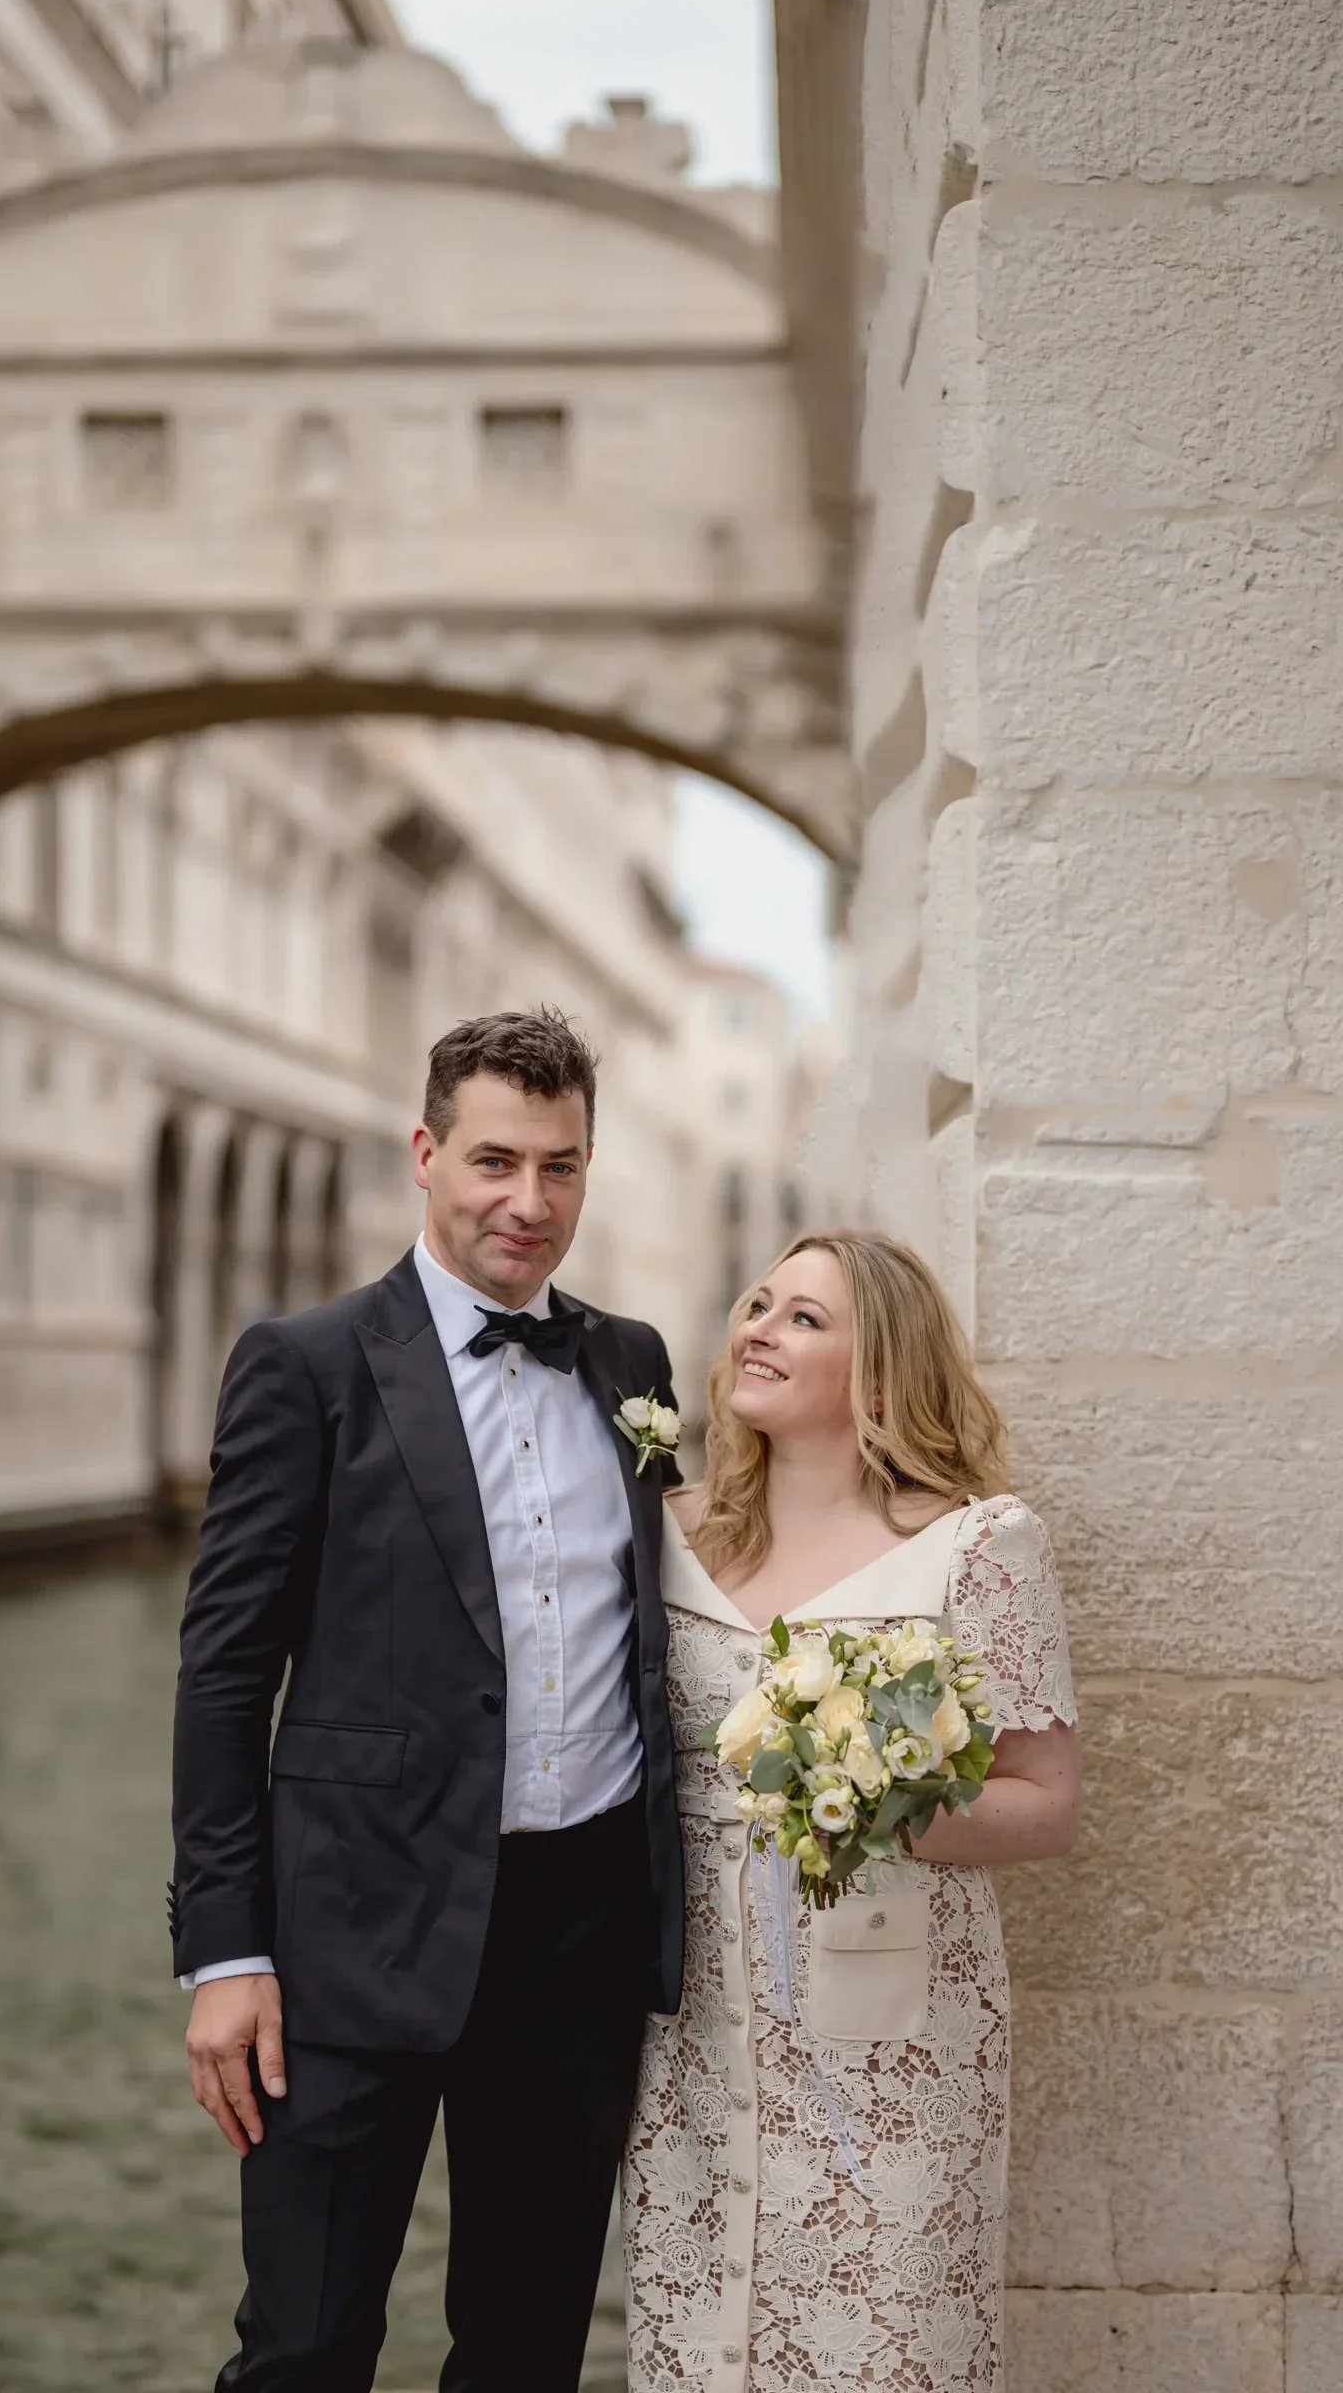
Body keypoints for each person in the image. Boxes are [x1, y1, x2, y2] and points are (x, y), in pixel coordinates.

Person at [170, 1007, 685, 2393]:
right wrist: (224, 1955)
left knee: (526, 2353)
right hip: (347, 1935)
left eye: (562, 1167)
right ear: (426, 1153)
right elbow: (225, 1673)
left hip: (577, 1932)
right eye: (495, 1162)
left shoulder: (632, 1366)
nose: (529, 1202)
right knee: (306, 2346)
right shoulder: (309, 1364)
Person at [623, 1232, 1081, 2392]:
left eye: (805, 1318)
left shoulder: (975, 1547)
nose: (759, 1329)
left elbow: (1044, 1804)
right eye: (759, 1304)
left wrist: (883, 1806)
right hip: (690, 2027)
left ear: (879, 1377)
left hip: (898, 2039)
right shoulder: (663, 1535)